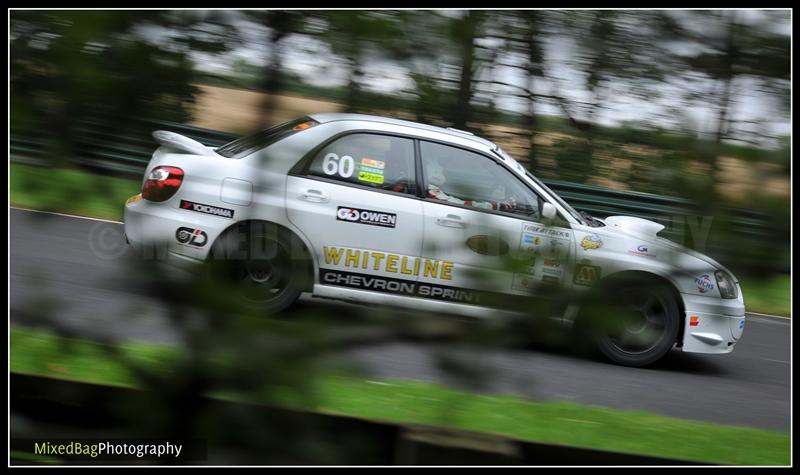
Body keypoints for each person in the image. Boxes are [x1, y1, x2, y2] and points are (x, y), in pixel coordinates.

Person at [426, 160, 518, 212]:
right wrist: (496, 206)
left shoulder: (432, 188)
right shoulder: (432, 191)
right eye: (441, 171)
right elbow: (460, 205)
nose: (444, 173)